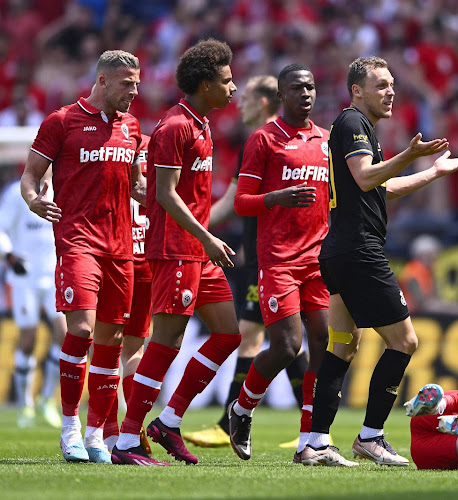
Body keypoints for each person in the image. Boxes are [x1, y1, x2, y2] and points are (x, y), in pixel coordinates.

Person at [299, 56, 458, 467]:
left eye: (392, 84)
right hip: (360, 250)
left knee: (341, 347)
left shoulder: (359, 129)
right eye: (380, 85)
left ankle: (315, 442)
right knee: (405, 341)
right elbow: (365, 177)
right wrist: (410, 156)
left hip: (340, 249)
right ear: (356, 90)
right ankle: (371, 437)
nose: (390, 91)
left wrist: (433, 173)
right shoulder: (352, 124)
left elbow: (381, 187)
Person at [112, 38, 240, 466]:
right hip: (175, 250)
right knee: (165, 341)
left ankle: (168, 420)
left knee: (228, 334)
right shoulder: (174, 127)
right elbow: (163, 195)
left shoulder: (200, 124)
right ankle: (128, 440)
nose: (233, 87)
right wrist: (206, 237)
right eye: (225, 80)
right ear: (205, 84)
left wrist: (204, 241)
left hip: (198, 251)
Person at [20, 49, 145, 464]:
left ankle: (95, 435)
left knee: (111, 341)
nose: (135, 90)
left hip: (121, 247)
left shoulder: (131, 126)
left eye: (138, 82)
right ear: (104, 81)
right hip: (78, 242)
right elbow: (29, 177)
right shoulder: (62, 121)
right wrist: (35, 200)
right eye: (128, 82)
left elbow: (137, 186)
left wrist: (174, 197)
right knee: (83, 330)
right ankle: (69, 425)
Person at [183, 75, 310, 449]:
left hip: (275, 257)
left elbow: (234, 200)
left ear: (267, 100)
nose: (239, 102)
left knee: (265, 337)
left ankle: (231, 422)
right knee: (280, 340)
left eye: (248, 97)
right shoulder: (263, 139)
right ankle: (313, 426)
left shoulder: (270, 140)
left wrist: (192, 225)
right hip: (262, 252)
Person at [226, 63, 330, 462]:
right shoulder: (263, 140)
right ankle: (241, 409)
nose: (306, 94)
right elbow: (240, 202)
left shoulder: (326, 140)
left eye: (311, 87)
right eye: (297, 88)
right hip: (278, 261)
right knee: (287, 346)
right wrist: (275, 198)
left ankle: (310, 441)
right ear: (281, 95)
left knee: (322, 344)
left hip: (318, 258)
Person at [0, 172, 64, 429]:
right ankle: (25, 403)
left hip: (55, 274)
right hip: (25, 277)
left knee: (67, 337)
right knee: (27, 340)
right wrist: (10, 257)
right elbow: (2, 229)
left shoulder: (62, 187)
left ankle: (47, 399)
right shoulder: (16, 192)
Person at [102, 135, 153, 456]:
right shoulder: (158, 147)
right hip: (147, 259)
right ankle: (133, 431)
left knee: (107, 348)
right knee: (133, 351)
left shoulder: (106, 149)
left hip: (116, 258)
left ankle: (110, 432)